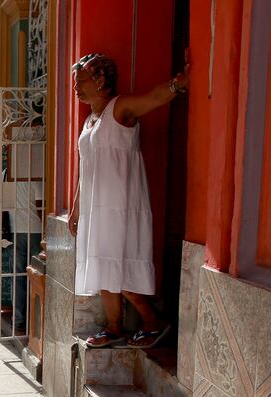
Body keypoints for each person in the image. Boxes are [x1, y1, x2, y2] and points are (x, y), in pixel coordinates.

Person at [70, 53, 189, 349]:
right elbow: (85, 167)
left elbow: (153, 98)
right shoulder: (89, 121)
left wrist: (177, 85)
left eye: (81, 81)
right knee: (103, 267)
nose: (76, 88)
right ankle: (114, 328)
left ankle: (154, 321)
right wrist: (75, 207)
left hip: (120, 203)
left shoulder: (119, 108)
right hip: (95, 207)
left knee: (119, 266)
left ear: (100, 81)